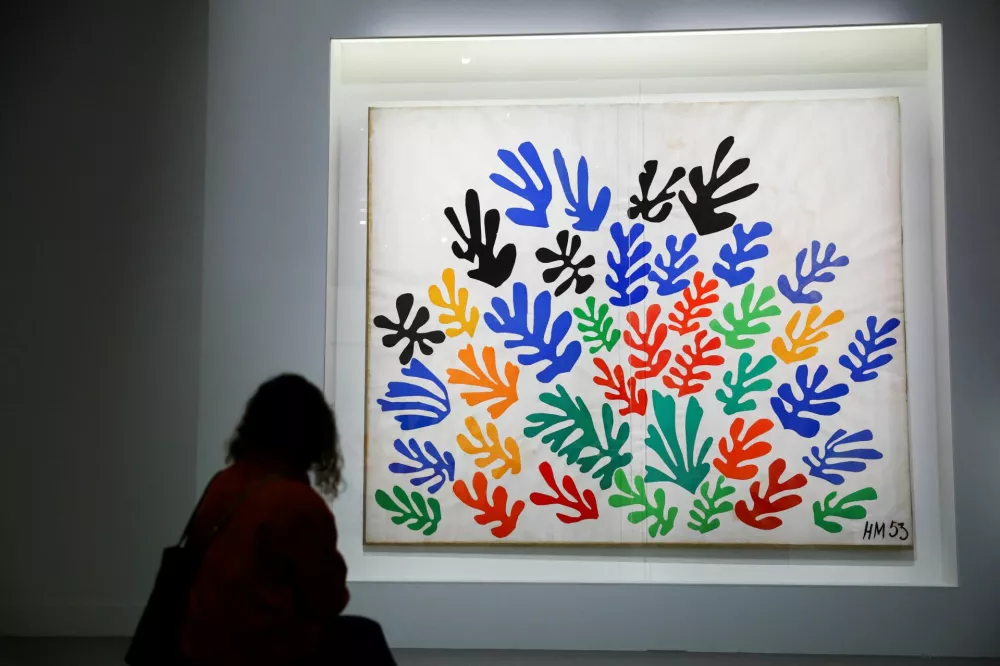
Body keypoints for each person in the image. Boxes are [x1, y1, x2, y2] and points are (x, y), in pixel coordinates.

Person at [179, 374, 396, 666]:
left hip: (199, 648)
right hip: (262, 651)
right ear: (315, 434)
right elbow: (328, 600)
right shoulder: (296, 503)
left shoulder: (222, 483)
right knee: (365, 638)